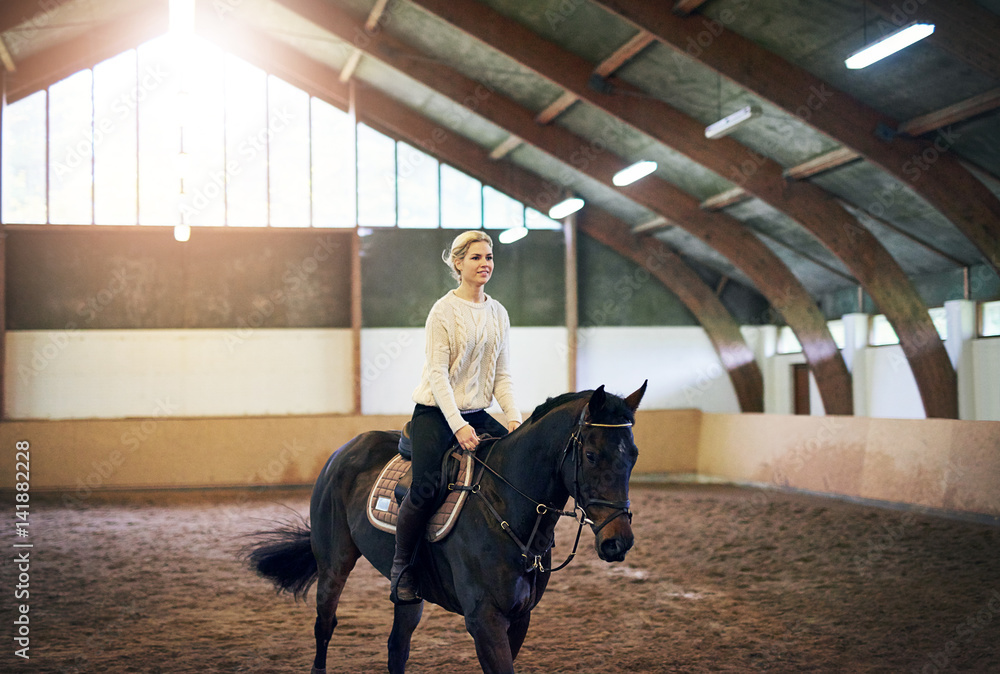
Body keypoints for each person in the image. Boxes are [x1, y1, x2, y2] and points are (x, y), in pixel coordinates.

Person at [390, 230, 522, 604]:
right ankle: (403, 567)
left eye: (489, 258)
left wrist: (514, 418)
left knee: (515, 467)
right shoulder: (442, 311)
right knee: (425, 487)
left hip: (478, 412)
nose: (485, 264)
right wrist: (458, 425)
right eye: (477, 258)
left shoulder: (498, 313)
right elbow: (438, 375)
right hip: (436, 412)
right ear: (458, 263)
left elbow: (502, 374)